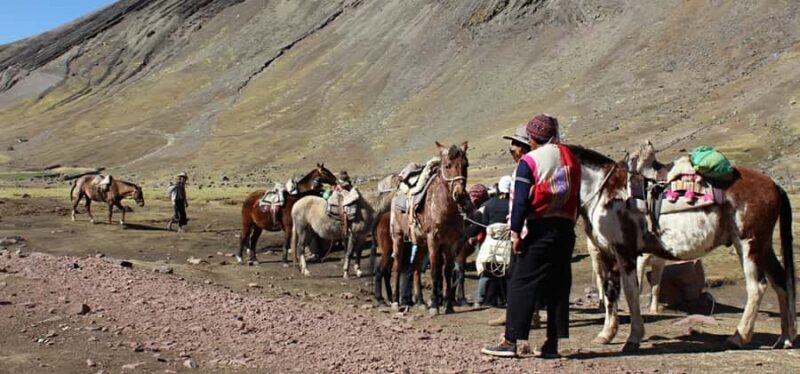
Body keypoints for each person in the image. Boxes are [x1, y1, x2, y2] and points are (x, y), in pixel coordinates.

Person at [482, 114, 581, 359]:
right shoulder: (571, 159)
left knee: (520, 282)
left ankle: (511, 340)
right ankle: (551, 344)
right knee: (558, 285)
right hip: (565, 230)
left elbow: (521, 202)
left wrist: (516, 232)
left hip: (539, 228)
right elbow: (577, 197)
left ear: (533, 138)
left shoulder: (530, 161)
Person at [473, 175, 512, 308]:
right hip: (507, 244)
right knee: (509, 273)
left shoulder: (488, 204)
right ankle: (509, 300)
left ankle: (478, 300)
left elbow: (484, 223)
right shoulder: (513, 204)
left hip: (491, 244)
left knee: (486, 272)